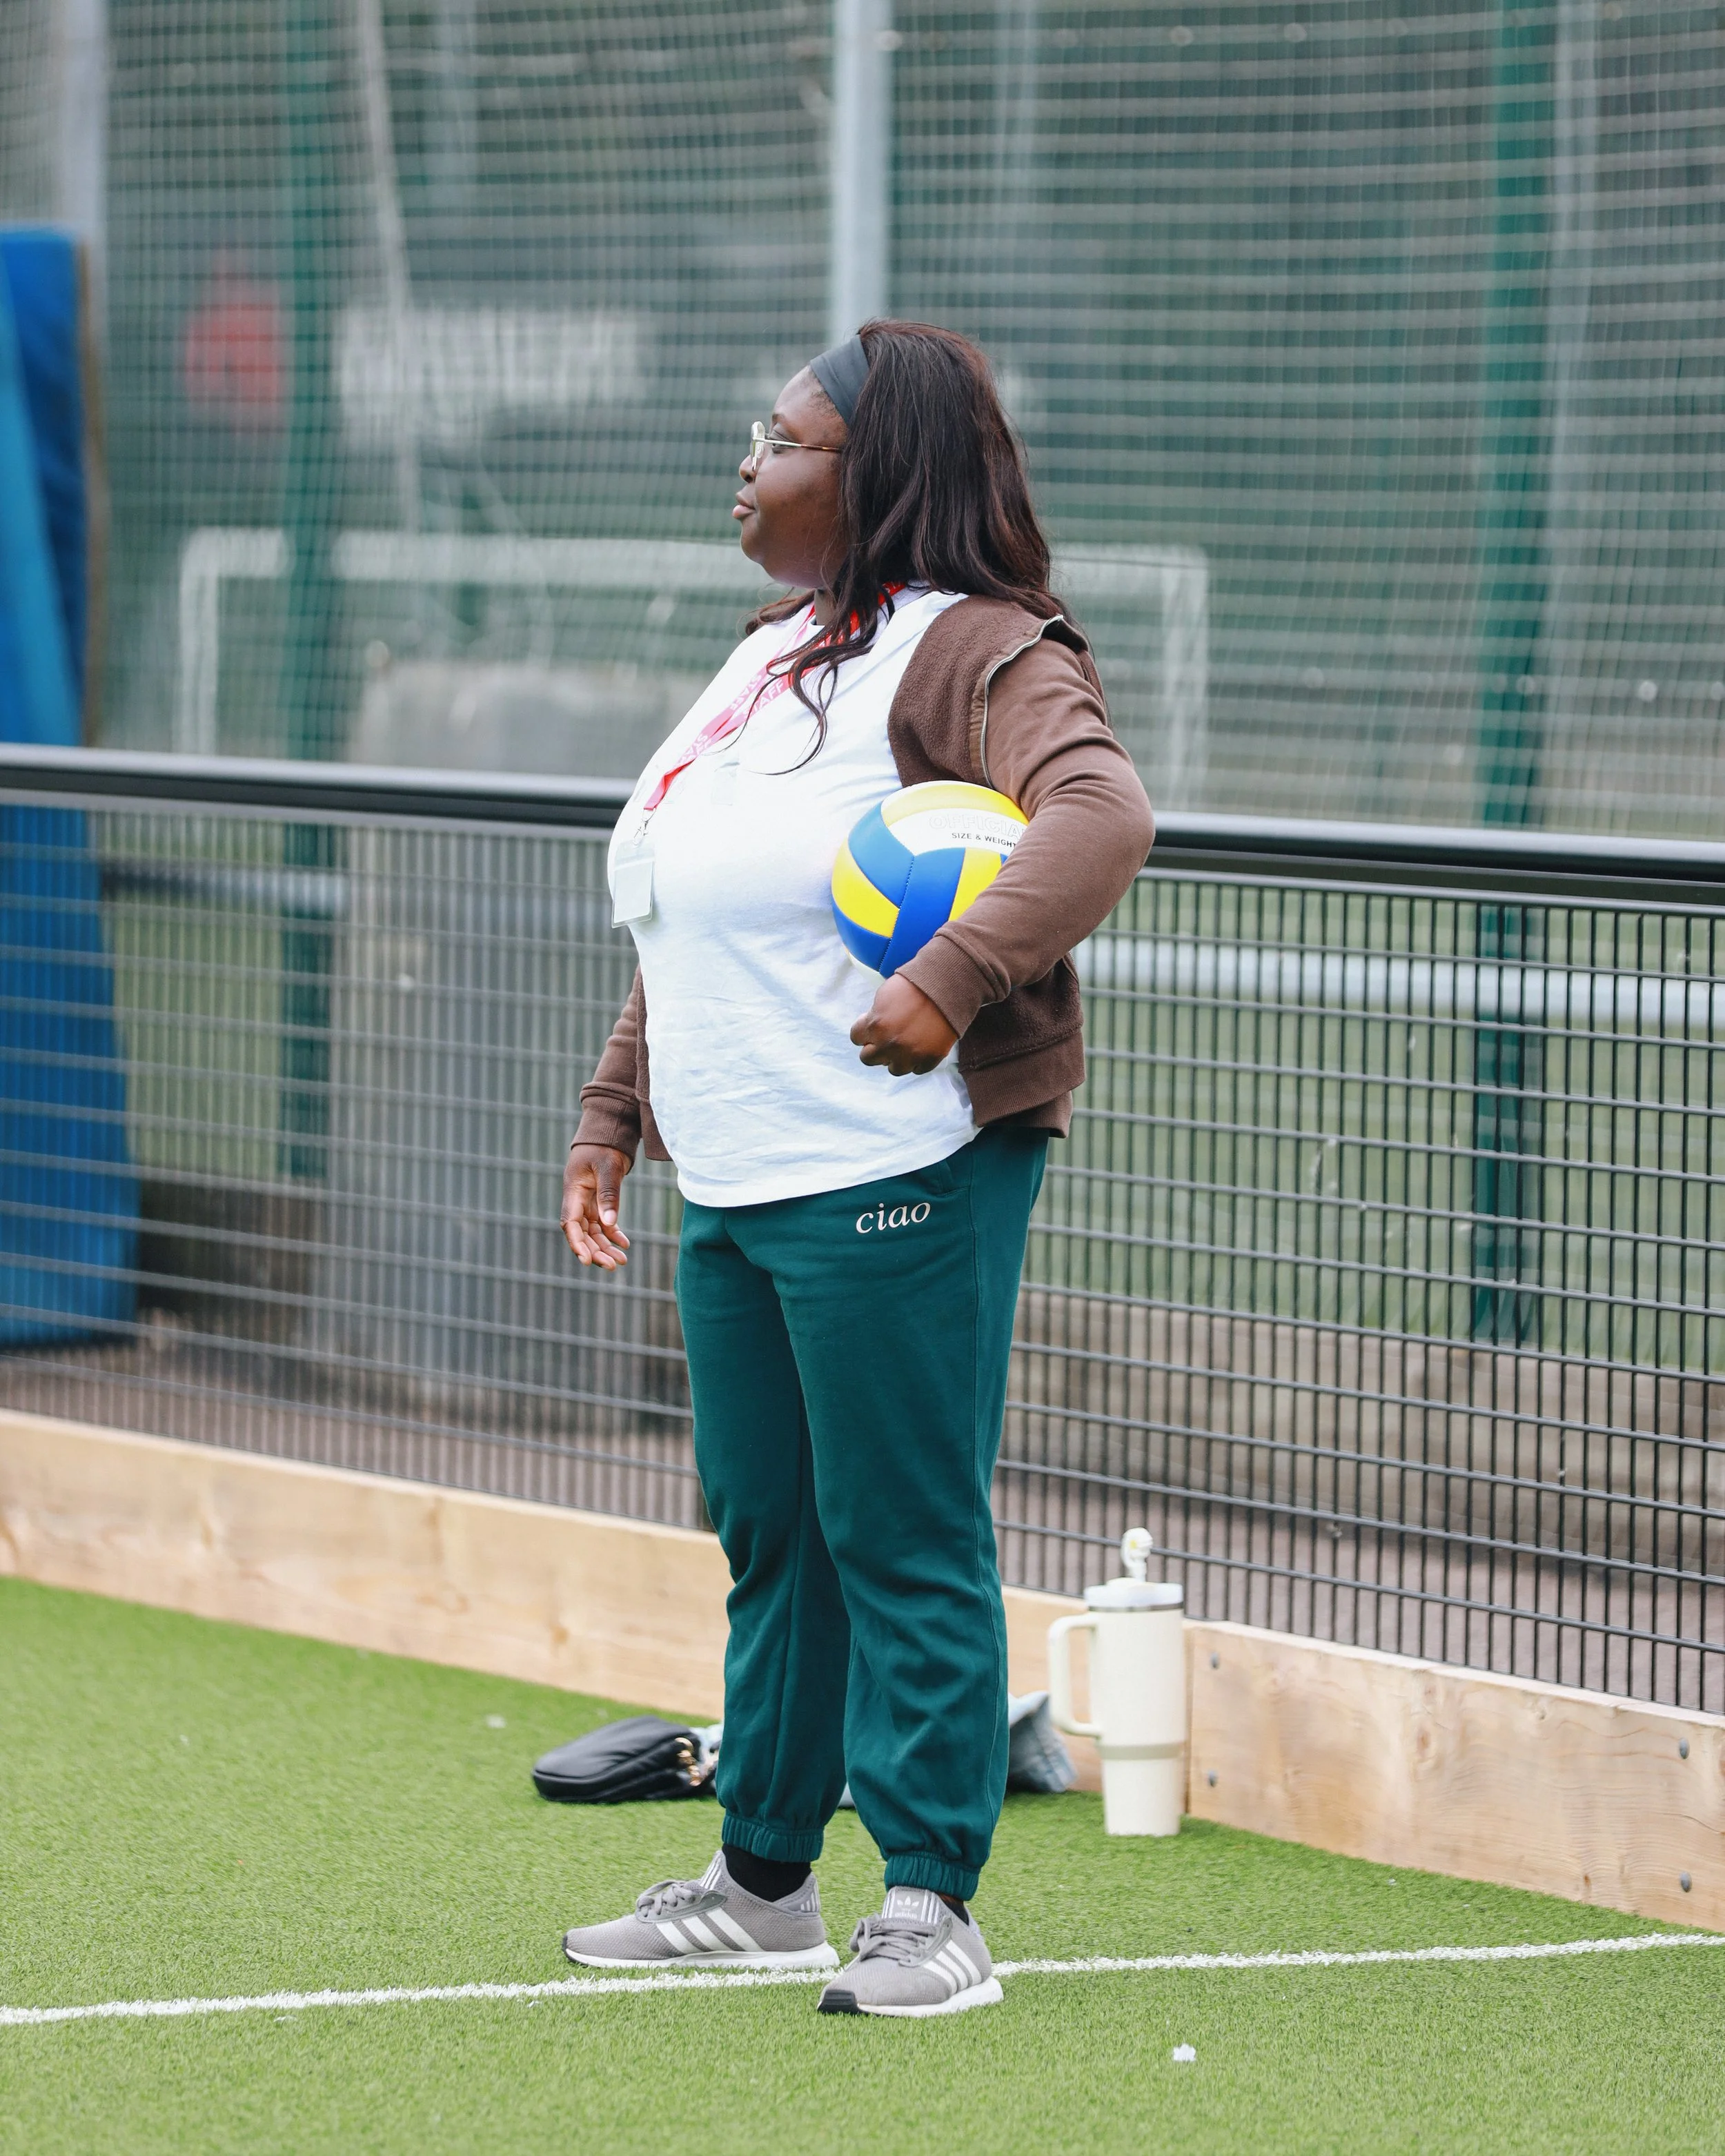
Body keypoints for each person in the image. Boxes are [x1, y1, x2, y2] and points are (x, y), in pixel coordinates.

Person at [558, 321, 1153, 2017]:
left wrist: (948, 978)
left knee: (898, 1528)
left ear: (873, 471)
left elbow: (1099, 813)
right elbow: (694, 912)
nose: (747, 461)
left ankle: (929, 1903)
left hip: (898, 1160)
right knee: (773, 1534)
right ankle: (761, 1883)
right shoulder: (769, 651)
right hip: (738, 1180)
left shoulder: (978, 646)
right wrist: (614, 1109)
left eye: (780, 438)